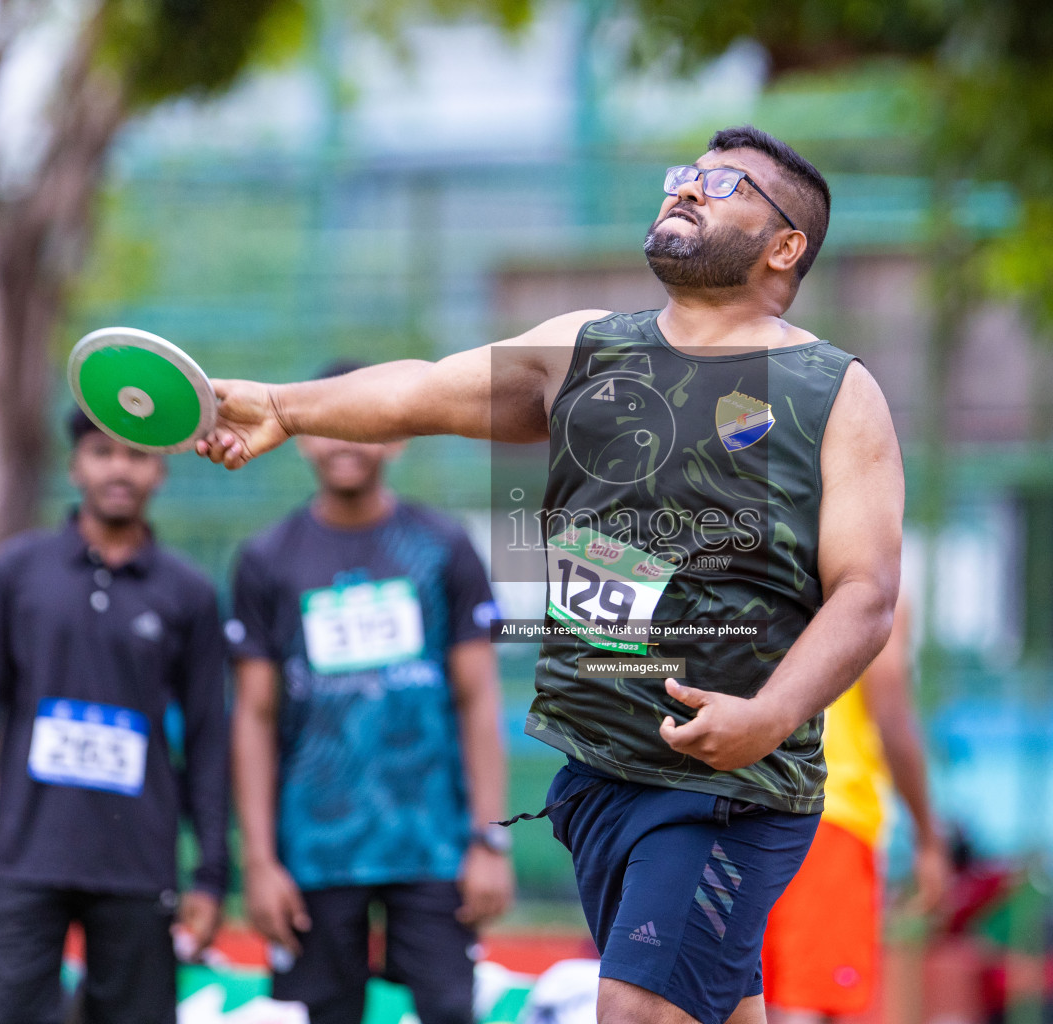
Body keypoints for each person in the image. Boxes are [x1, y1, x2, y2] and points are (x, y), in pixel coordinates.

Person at [196, 124, 905, 1024]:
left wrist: (769, 714)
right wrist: (281, 408)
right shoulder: (583, 348)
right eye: (682, 174)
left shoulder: (835, 392)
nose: (685, 189)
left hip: (725, 787)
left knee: (634, 1008)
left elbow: (866, 595)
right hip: (598, 773)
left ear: (785, 244)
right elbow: (418, 389)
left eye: (721, 184)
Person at [0, 409, 230, 1024]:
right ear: (75, 465)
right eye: (102, 451)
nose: (119, 468)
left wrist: (212, 874)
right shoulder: (17, 572)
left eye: (136, 455)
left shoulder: (187, 592)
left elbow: (206, 737)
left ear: (161, 470)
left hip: (138, 862)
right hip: (26, 855)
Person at [229, 360, 513, 1024]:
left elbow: (478, 700)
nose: (344, 442)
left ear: (396, 435)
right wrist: (261, 860)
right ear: (302, 436)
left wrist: (489, 841)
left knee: (449, 1010)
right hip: (314, 852)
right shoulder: (268, 558)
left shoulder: (442, 547)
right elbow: (254, 716)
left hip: (434, 843)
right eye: (329, 424)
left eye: (362, 424)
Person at [762, 596, 951, 1024]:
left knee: (756, 999)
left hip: (749, 805)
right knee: (806, 1001)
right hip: (829, 815)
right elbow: (892, 723)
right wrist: (928, 838)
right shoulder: (874, 589)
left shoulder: (768, 570)